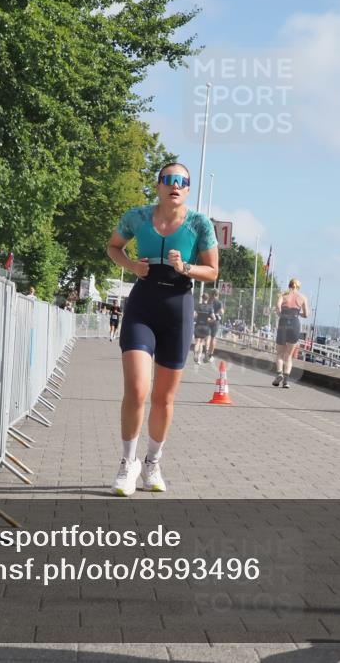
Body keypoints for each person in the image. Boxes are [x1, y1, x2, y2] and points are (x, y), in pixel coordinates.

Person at [106, 163, 219, 496]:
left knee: (164, 398)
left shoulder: (200, 224)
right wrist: (131, 266)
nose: (176, 186)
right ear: (158, 185)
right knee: (137, 390)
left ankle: (152, 463)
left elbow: (212, 271)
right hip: (143, 305)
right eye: (169, 180)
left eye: (182, 182)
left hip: (178, 310)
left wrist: (187, 267)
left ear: (188, 189)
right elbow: (114, 247)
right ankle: (128, 465)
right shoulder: (138, 217)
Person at [273, 279, 309, 388]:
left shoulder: (283, 295)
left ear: (289, 285)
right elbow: (306, 315)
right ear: (298, 287)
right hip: (294, 323)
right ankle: (286, 381)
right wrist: (298, 314)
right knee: (288, 356)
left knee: (279, 354)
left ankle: (279, 374)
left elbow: (278, 308)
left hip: (283, 322)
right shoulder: (303, 298)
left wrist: (281, 314)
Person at [193, 292, 214, 365]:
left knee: (197, 342)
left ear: (202, 298)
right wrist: (209, 320)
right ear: (208, 299)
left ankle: (195, 354)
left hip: (198, 326)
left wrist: (197, 317)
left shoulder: (198, 306)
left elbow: (194, 316)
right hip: (205, 326)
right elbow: (214, 318)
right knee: (202, 343)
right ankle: (199, 359)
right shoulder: (210, 307)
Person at [206, 288, 224, 362]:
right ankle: (210, 355)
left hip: (208, 320)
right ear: (217, 294)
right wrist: (217, 314)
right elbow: (222, 312)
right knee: (213, 338)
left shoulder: (209, 302)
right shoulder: (219, 302)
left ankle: (206, 351)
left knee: (208, 336)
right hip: (216, 321)